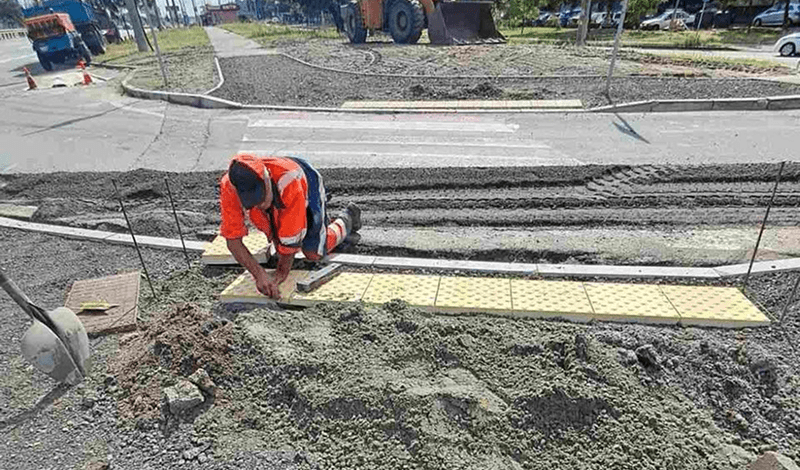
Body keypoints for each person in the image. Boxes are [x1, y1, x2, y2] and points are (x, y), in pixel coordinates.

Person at [219, 153, 361, 299]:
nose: (259, 205)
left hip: (305, 180)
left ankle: (348, 219)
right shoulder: (230, 186)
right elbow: (233, 240)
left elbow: (290, 240)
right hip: (280, 187)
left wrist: (281, 273)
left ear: (267, 178)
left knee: (314, 253)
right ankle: (319, 226)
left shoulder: (289, 181)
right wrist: (259, 274)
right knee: (279, 238)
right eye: (252, 201)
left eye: (260, 196)